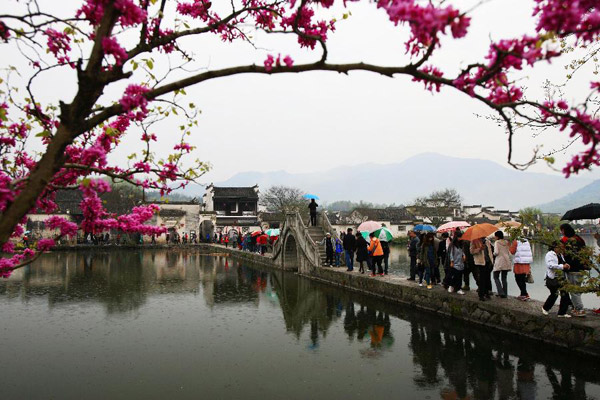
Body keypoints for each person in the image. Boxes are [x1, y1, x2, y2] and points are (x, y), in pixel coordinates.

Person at [560, 223, 587, 317]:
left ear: (564, 230)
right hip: (582, 268)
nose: (561, 232)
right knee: (577, 289)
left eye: (562, 230)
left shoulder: (566, 241)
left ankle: (580, 310)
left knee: (574, 290)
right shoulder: (580, 239)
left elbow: (564, 253)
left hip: (572, 268)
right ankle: (576, 308)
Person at [542, 241, 572, 318]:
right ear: (555, 247)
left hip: (562, 277)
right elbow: (550, 265)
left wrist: (566, 265)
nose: (561, 248)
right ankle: (545, 308)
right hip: (553, 278)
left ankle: (562, 313)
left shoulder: (560, 255)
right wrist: (562, 266)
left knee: (565, 294)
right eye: (560, 247)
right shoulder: (550, 254)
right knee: (554, 294)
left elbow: (563, 263)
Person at [510, 237, 533, 301]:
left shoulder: (516, 241)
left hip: (519, 262)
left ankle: (524, 294)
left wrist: (510, 245)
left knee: (518, 278)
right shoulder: (527, 241)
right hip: (526, 262)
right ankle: (524, 294)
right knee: (522, 279)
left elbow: (512, 251)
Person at [493, 231, 511, 298]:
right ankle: (505, 293)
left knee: (495, 276)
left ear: (497, 236)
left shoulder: (497, 242)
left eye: (495, 236)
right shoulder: (506, 242)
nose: (494, 237)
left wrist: (493, 254)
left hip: (499, 261)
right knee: (504, 278)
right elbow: (508, 252)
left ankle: (500, 292)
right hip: (506, 261)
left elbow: (496, 252)